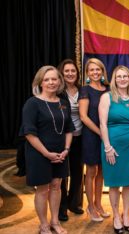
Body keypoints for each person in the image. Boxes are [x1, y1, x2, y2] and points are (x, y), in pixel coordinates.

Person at [20, 65, 75, 234]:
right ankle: (44, 225)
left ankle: (55, 222)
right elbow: (29, 133)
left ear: (59, 82)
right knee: (42, 190)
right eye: (47, 79)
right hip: (39, 153)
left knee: (57, 186)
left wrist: (66, 149)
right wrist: (47, 154)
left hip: (60, 153)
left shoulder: (63, 104)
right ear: (40, 82)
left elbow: (69, 129)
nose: (51, 82)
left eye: (54, 79)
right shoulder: (32, 103)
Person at [99, 65, 129, 233]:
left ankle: (126, 214)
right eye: (119, 76)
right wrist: (108, 147)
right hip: (113, 146)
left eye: (125, 76)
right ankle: (116, 216)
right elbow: (102, 124)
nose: (122, 79)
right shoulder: (107, 97)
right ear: (114, 79)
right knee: (114, 183)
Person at [79, 58, 110, 222]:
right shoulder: (85, 90)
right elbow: (83, 117)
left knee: (102, 172)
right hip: (92, 135)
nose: (95, 72)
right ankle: (90, 206)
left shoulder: (108, 89)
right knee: (91, 172)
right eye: (92, 70)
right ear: (87, 73)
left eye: (98, 69)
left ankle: (98, 204)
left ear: (103, 71)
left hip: (106, 134)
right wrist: (100, 132)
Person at [57, 59, 84, 221]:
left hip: (81, 137)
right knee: (62, 174)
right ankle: (61, 208)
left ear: (77, 73)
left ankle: (74, 204)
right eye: (66, 71)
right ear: (61, 72)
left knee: (77, 173)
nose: (70, 73)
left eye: (73, 71)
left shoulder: (82, 90)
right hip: (62, 138)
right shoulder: (58, 92)